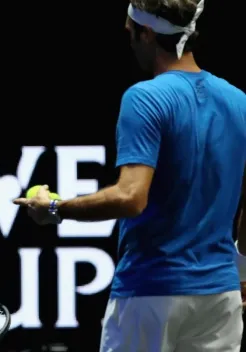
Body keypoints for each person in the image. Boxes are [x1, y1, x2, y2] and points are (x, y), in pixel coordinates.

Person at [14, 0, 246, 351]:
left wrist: (55, 208)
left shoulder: (145, 98)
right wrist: (241, 272)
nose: (130, 43)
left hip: (151, 293)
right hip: (220, 297)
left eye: (130, 33)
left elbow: (130, 197)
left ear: (147, 33)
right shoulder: (240, 102)